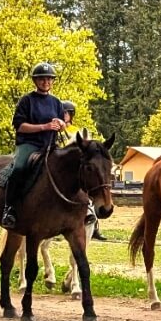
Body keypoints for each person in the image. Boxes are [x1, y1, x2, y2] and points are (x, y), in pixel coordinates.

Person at [1, 62, 65, 229]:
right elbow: (20, 126)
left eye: (49, 79)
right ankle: (9, 209)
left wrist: (60, 123)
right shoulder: (26, 100)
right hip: (29, 144)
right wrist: (44, 126)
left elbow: (63, 124)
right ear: (35, 81)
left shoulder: (56, 102)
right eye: (42, 79)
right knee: (19, 168)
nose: (46, 82)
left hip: (50, 145)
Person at [61, 100, 106, 240]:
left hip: (75, 168)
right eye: (62, 113)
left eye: (67, 113)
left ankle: (92, 221)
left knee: (88, 194)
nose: (64, 115)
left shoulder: (77, 132)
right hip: (62, 165)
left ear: (71, 115)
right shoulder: (56, 130)